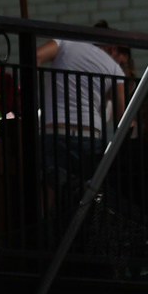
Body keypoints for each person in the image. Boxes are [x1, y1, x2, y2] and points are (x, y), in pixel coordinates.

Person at [37, 31, 129, 224]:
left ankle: (45, 236)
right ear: (112, 48)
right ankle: (82, 241)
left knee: (50, 190)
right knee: (86, 196)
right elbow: (123, 118)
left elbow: (36, 56)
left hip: (56, 130)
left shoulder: (65, 43)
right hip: (90, 135)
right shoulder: (115, 69)